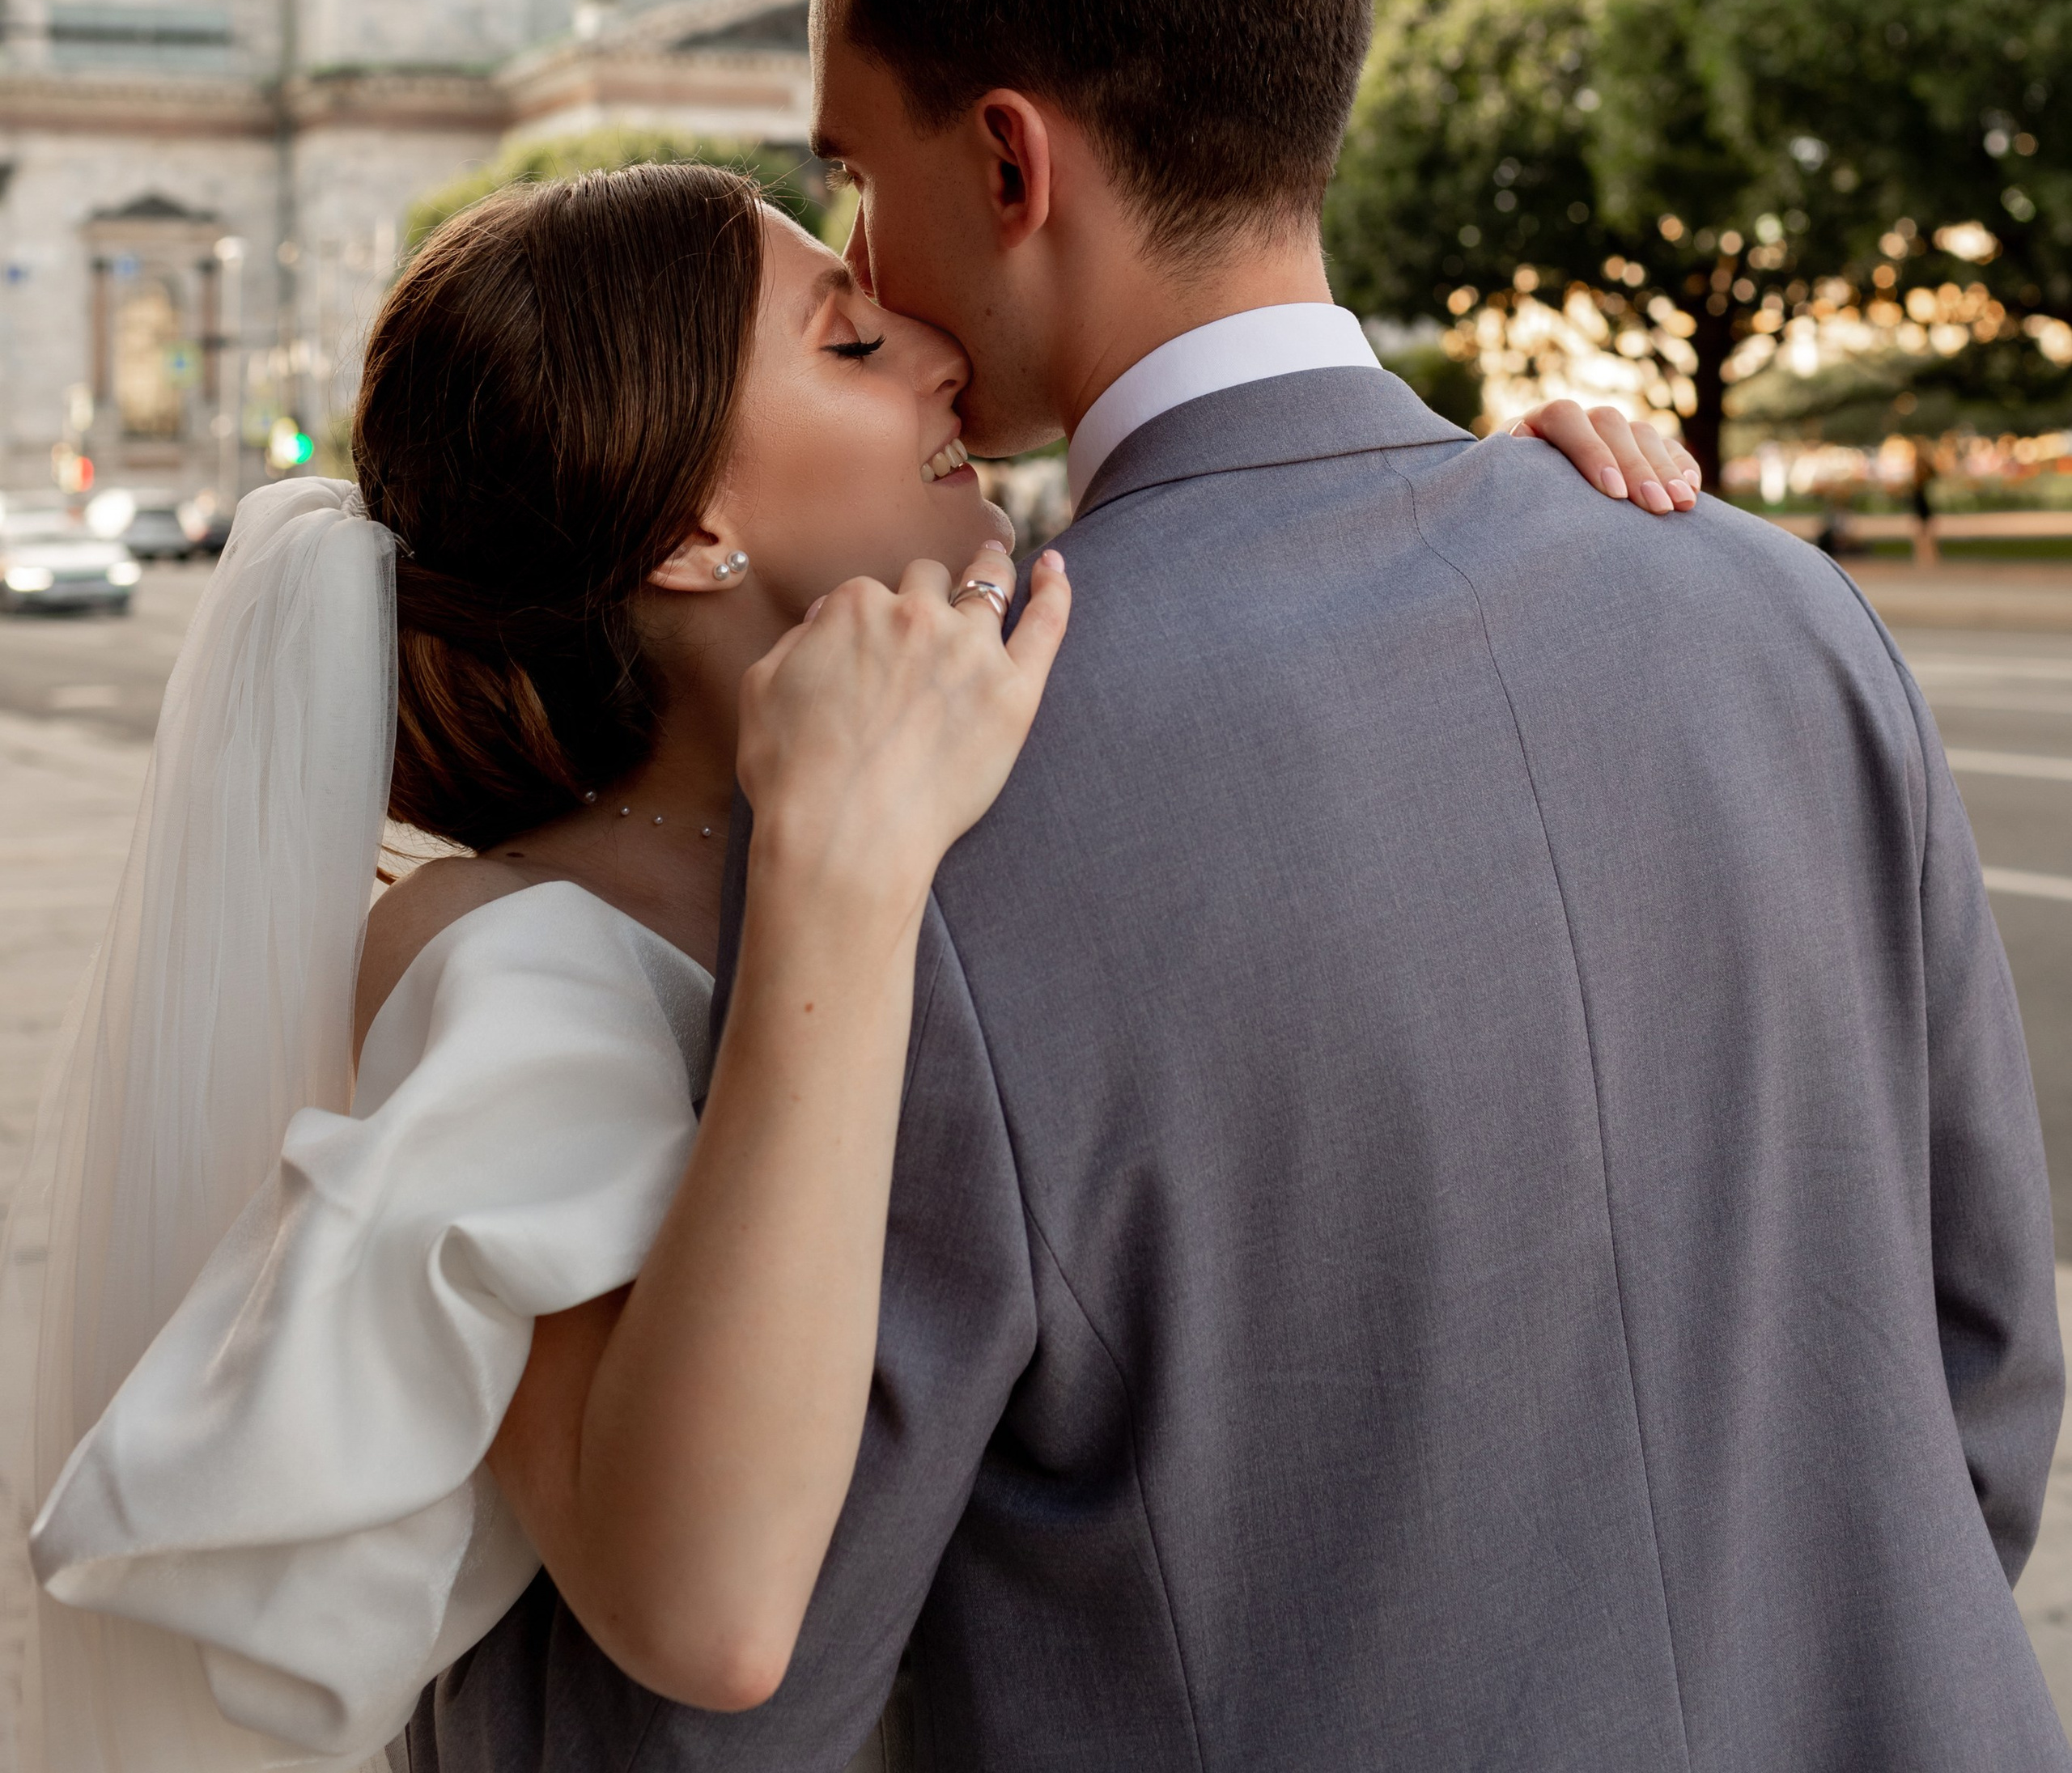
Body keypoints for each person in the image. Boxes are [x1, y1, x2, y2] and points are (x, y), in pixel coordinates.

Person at [427, 0, 2066, 1771]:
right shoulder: (1775, 604)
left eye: (855, 170)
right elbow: (1980, 1383)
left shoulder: (928, 789)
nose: (859, 248)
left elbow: (745, 1690)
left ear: (1009, 161)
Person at [0, 147, 1679, 1773]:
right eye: (853, 343)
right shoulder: (506, 951)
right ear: (687, 526)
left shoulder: (988, 732)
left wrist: (1477, 516)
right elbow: (707, 1617)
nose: (943, 352)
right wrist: (832, 876)